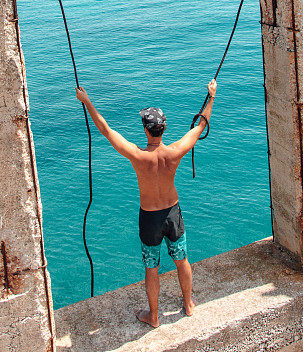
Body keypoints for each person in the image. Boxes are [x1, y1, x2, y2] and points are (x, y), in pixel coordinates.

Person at [75, 78, 217, 328]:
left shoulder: (138, 156)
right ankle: (188, 304)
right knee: (182, 260)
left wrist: (87, 102)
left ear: (145, 130)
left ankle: (153, 317)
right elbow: (200, 127)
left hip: (149, 217)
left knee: (152, 268)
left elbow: (107, 130)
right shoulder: (175, 152)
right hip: (173, 213)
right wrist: (211, 96)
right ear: (164, 128)